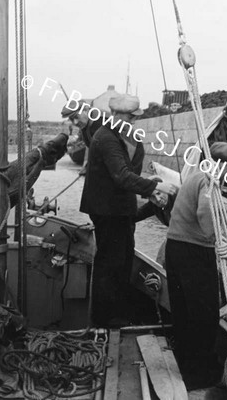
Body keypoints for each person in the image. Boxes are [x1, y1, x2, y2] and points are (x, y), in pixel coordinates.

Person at [80, 94, 177, 327]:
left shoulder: (124, 137)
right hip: (107, 211)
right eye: (131, 118)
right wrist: (156, 186)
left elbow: (128, 174)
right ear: (117, 115)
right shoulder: (106, 138)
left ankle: (118, 311)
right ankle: (105, 318)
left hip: (121, 210)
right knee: (109, 263)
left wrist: (149, 186)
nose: (133, 122)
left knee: (123, 260)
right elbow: (121, 176)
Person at [165, 142, 227, 390]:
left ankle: (184, 364)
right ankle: (200, 376)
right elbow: (206, 218)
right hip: (194, 252)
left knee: (183, 311)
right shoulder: (209, 181)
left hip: (175, 247)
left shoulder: (194, 176)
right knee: (204, 314)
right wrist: (218, 235)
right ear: (219, 164)